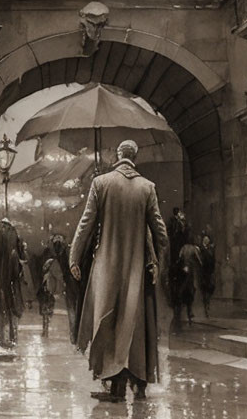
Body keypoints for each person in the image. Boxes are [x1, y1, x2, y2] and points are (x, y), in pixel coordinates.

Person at [69, 139, 169, 403]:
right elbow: (160, 232)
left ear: (117, 155)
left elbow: (85, 224)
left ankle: (113, 385)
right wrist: (158, 261)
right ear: (134, 157)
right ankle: (140, 383)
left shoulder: (101, 183)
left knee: (108, 321)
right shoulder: (147, 187)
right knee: (136, 322)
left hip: (106, 266)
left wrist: (74, 257)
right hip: (137, 266)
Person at [0, 217, 25, 348]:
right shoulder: (14, 233)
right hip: (11, 280)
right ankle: (11, 338)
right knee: (12, 308)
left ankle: (1, 338)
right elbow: (21, 257)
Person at [175, 240, 203, 324]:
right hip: (190, 270)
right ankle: (189, 310)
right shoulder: (193, 248)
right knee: (192, 288)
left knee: (182, 287)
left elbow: (179, 257)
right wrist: (200, 264)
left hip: (183, 269)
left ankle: (179, 307)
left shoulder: (183, 248)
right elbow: (198, 259)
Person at [37, 256, 62, 337]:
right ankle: (45, 331)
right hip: (46, 296)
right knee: (45, 315)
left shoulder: (50, 275)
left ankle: (45, 331)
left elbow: (51, 286)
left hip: (48, 296)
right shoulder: (47, 275)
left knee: (46, 315)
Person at [199, 234, 216, 318]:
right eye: (205, 240)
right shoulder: (200, 249)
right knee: (204, 289)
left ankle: (207, 303)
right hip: (203, 272)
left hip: (209, 271)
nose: (206, 241)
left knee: (211, 287)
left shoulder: (210, 249)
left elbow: (213, 260)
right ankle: (205, 306)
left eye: (207, 240)